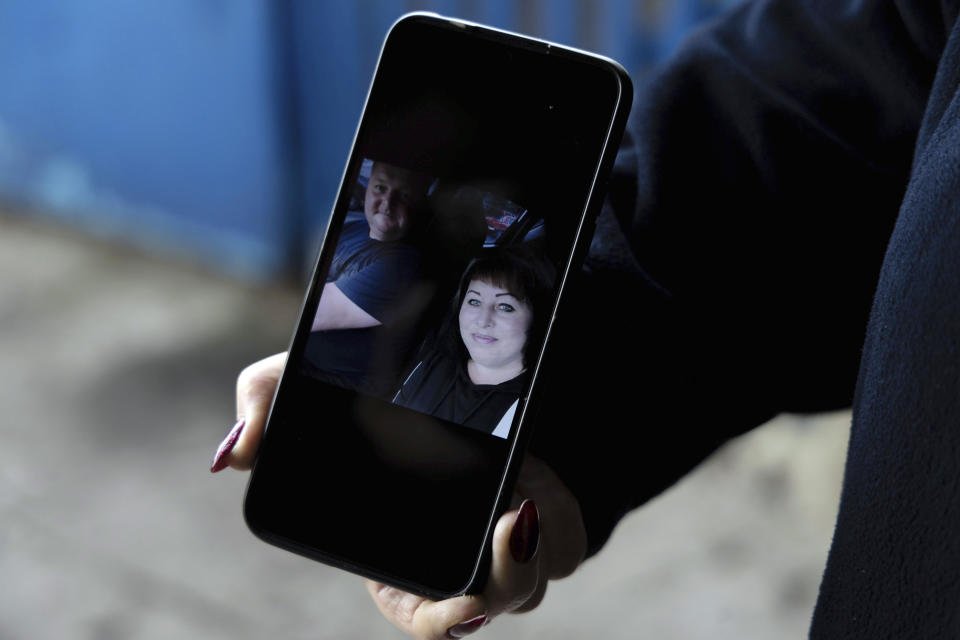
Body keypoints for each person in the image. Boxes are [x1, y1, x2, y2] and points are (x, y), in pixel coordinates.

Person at [213, 0, 960, 637]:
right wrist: (569, 421)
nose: (482, 315)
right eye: (478, 301)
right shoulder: (432, 340)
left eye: (502, 303)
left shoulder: (398, 271)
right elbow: (835, 90)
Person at [304, 160, 433, 397]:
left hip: (334, 380)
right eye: (380, 188)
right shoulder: (351, 228)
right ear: (368, 187)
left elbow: (307, 313)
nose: (387, 203)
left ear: (419, 203)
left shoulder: (403, 265)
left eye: (403, 195)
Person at [393, 251, 552, 437]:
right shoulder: (433, 361)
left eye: (505, 307)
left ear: (538, 318)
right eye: (474, 301)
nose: (483, 321)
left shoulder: (527, 407)